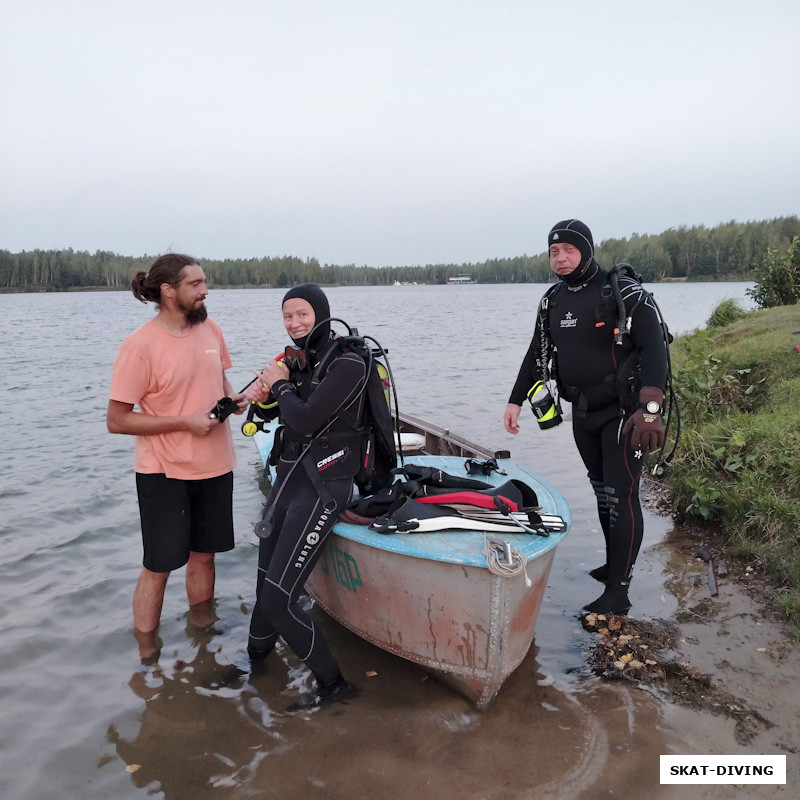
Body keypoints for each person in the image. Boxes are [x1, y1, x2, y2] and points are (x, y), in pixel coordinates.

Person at [504, 220, 668, 616]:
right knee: (602, 492)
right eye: (553, 252)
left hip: (623, 413)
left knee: (622, 493)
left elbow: (655, 347)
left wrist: (650, 411)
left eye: (568, 251)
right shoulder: (552, 301)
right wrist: (514, 401)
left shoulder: (622, 293)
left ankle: (619, 592)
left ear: (586, 251)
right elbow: (535, 352)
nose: (560, 259)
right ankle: (615, 565)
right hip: (583, 411)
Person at [107, 253, 246, 657]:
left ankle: (204, 643)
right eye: (195, 284)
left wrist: (234, 401)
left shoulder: (212, 331)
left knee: (204, 557)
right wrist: (185, 422)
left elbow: (219, 384)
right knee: (160, 566)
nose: (205, 290)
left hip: (216, 465)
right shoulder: (139, 346)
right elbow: (117, 420)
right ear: (168, 291)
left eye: (204, 282)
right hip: (163, 472)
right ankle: (146, 655)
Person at [243, 283, 366, 711]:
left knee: (279, 600)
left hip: (324, 487)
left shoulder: (349, 363)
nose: (294, 323)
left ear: (321, 313)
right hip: (288, 482)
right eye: (287, 316)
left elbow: (309, 418)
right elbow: (270, 416)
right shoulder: (296, 364)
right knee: (264, 588)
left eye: (302, 314)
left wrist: (279, 387)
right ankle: (253, 668)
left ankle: (336, 687)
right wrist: (263, 397)